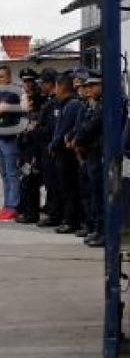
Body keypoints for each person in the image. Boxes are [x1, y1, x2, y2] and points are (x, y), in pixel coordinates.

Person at [49, 71, 86, 235]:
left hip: (66, 153)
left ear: (61, 86)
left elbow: (64, 130)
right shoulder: (64, 104)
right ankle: (69, 219)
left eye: (57, 86)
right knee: (64, 188)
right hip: (61, 151)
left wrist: (53, 145)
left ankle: (72, 221)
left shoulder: (72, 105)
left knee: (69, 188)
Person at [0, 65, 24, 222]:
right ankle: (7, 205)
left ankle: (13, 206)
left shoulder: (13, 93)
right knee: (4, 175)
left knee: (12, 174)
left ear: (9, 77)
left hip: (10, 139)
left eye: (1, 77)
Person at [71, 71, 104, 247]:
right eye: (87, 86)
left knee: (99, 194)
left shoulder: (104, 105)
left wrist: (79, 139)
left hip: (99, 154)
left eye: (93, 85)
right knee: (93, 194)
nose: (88, 89)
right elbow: (81, 127)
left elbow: (89, 128)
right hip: (90, 154)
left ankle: (102, 231)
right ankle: (97, 229)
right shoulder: (92, 105)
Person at [15, 68, 44, 224]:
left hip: (35, 146)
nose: (27, 84)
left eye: (30, 81)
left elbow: (36, 124)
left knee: (31, 180)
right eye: (25, 81)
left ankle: (31, 213)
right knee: (25, 179)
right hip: (25, 145)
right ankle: (26, 210)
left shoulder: (40, 100)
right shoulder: (24, 99)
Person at [35, 68, 61, 228]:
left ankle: (55, 214)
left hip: (50, 147)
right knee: (49, 182)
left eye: (43, 83)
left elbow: (51, 127)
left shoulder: (54, 102)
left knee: (53, 183)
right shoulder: (48, 100)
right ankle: (53, 211)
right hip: (44, 147)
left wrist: (35, 129)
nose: (40, 86)